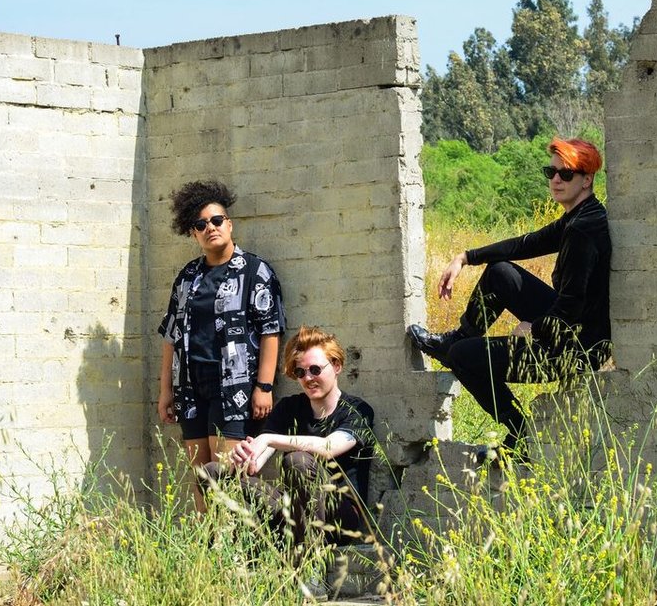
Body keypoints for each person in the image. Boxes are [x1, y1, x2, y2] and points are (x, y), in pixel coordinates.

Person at [406, 136, 611, 453]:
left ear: (587, 179)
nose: (556, 180)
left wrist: (535, 329)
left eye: (566, 173)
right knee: (500, 272)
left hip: (576, 348)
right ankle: (457, 338)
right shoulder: (583, 215)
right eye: (551, 172)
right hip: (574, 329)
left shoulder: (582, 230)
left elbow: (572, 304)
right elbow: (527, 244)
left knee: (464, 357)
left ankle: (519, 432)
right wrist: (466, 257)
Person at [157, 179, 285, 512]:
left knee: (228, 475)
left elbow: (271, 331)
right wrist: (166, 391)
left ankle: (234, 539)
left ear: (229, 224)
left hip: (234, 388)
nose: (210, 228)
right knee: (201, 475)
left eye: (216, 220)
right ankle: (207, 538)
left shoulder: (255, 271)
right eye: (201, 225)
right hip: (190, 386)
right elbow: (171, 335)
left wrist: (264, 387)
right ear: (193, 234)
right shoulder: (188, 276)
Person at [208, 326, 375, 547]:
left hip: (339, 518)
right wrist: (245, 459)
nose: (308, 378)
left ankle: (310, 557)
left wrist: (268, 439)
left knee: (298, 460)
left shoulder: (357, 410)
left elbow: (328, 447)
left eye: (315, 369)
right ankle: (241, 551)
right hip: (294, 512)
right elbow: (257, 461)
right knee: (212, 472)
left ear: (336, 366)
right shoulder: (290, 407)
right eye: (300, 372)